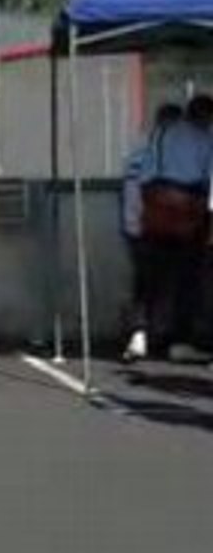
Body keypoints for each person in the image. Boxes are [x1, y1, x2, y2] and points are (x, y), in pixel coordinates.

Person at [139, 94, 213, 363]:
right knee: (190, 277)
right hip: (188, 209)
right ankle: (184, 337)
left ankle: (156, 335)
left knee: (159, 277)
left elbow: (144, 176)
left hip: (156, 208)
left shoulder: (162, 132)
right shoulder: (205, 139)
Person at [120, 103, 183, 362]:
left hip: (140, 230)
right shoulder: (176, 156)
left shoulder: (139, 154)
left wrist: (132, 229)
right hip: (169, 230)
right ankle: (162, 336)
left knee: (144, 283)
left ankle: (141, 333)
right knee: (170, 284)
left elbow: (130, 198)